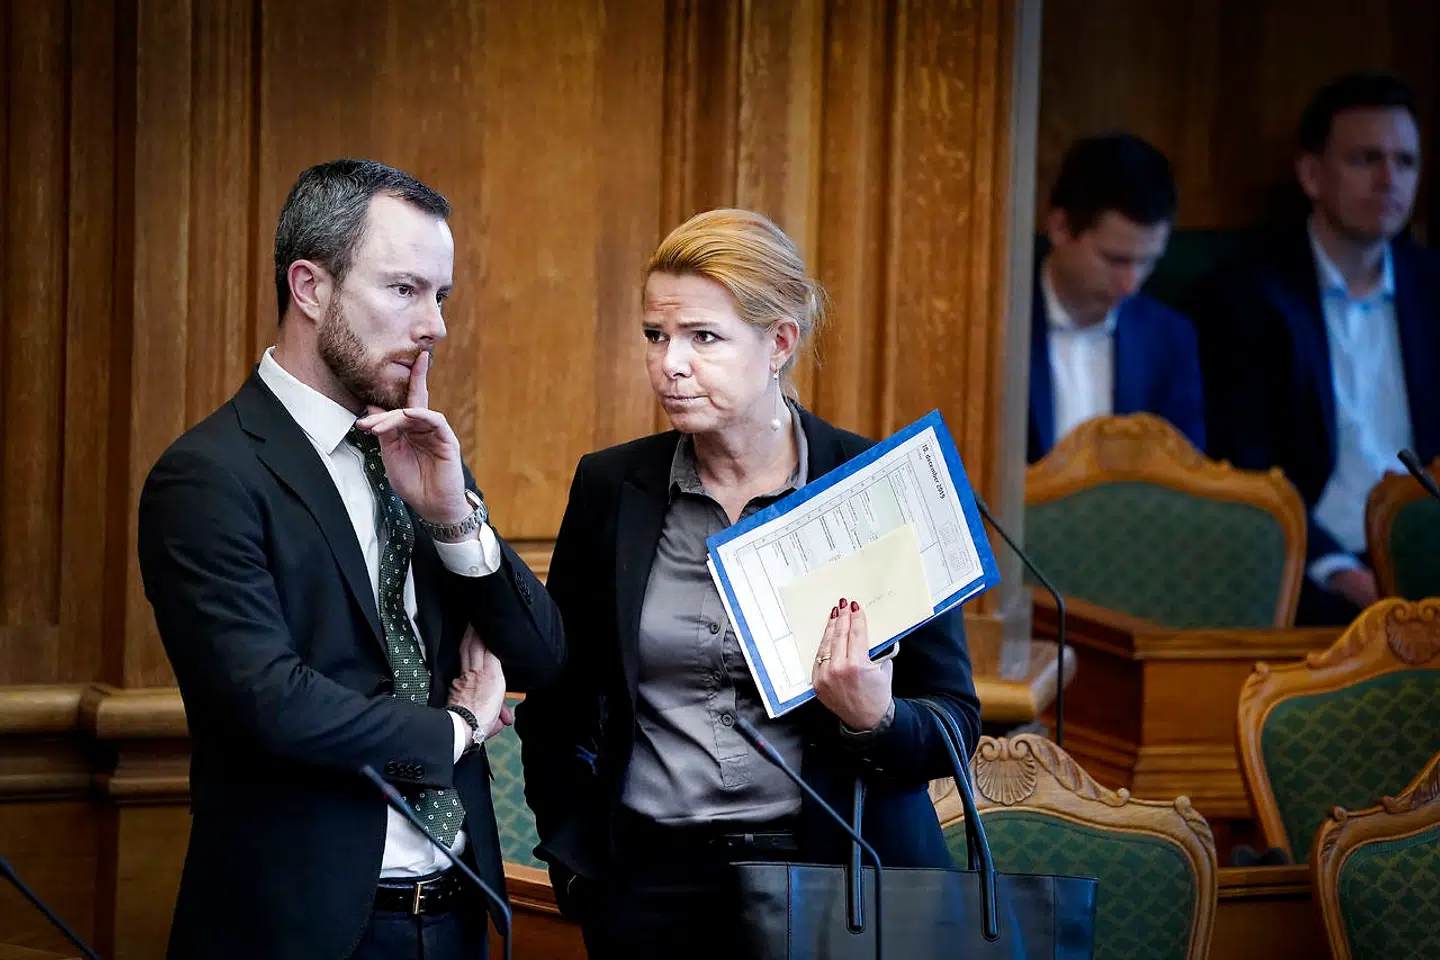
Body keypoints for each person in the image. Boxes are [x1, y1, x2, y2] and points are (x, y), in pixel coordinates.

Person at [514, 208, 981, 956]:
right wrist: (580, 862)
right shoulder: (611, 487)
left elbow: (956, 725)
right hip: (649, 888)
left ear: (780, 343)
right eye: (655, 336)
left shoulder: (874, 490)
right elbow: (559, 702)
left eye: (704, 337)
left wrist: (875, 719)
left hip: (838, 887)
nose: (670, 362)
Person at [137, 159, 565, 960]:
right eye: (405, 290)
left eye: (441, 297)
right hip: (305, 925)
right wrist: (457, 729)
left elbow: (541, 656)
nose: (434, 324)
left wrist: (451, 518)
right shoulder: (207, 476)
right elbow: (270, 704)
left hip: (457, 911)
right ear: (310, 288)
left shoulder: (422, 455)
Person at [1197, 71, 1440, 625]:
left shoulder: (1433, 289)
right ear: (1311, 174)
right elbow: (1245, 465)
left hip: (1425, 558)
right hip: (1306, 569)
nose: (1389, 180)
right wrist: (1342, 572)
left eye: (1405, 163)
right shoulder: (1244, 298)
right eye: (1366, 159)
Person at [1028, 132, 1206, 462]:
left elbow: (1186, 486)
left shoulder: (1170, 338)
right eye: (1115, 260)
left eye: (1148, 262)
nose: (1131, 285)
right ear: (1060, 227)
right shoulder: (992, 324)